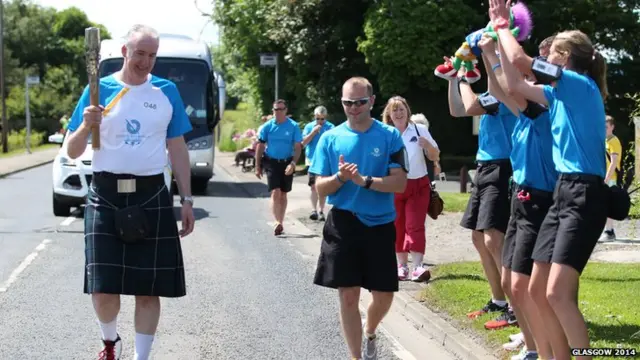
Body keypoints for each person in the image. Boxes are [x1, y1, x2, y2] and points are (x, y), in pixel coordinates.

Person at [65, 24, 195, 360]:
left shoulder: (166, 92)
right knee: (102, 286)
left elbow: (177, 146)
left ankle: (142, 357)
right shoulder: (98, 90)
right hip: (105, 191)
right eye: (140, 53)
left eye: (152, 55)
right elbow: (73, 150)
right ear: (125, 52)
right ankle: (111, 342)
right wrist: (86, 125)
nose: (146, 61)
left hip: (151, 193)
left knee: (148, 289)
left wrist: (187, 200)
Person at [490, 0, 609, 358]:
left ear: (565, 57)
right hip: (563, 192)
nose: (548, 54)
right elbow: (513, 82)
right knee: (536, 290)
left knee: (557, 293)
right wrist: (495, 44)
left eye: (554, 51)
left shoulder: (580, 85)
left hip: (583, 194)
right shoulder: (558, 95)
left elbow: (522, 63)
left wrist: (501, 26)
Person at [311, 77, 408, 360]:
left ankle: (371, 328)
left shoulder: (390, 136)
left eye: (359, 102)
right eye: (347, 103)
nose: (353, 108)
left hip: (379, 224)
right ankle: (355, 356)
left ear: (372, 101)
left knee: (384, 295)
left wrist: (363, 181)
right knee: (348, 295)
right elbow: (320, 186)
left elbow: (400, 183)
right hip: (343, 223)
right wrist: (341, 178)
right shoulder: (330, 138)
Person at [480, 33, 559, 360]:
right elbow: (498, 89)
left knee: (530, 287)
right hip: (520, 198)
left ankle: (547, 350)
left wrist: (495, 46)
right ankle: (532, 346)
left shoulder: (545, 103)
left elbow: (508, 86)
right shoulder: (526, 108)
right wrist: (487, 54)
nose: (523, 78)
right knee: (514, 285)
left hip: (542, 200)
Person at [445, 53, 517, 325]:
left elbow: (472, 105)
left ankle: (514, 306)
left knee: (494, 238)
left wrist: (464, 78)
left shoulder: (503, 92)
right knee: (479, 237)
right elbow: (457, 109)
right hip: (486, 166)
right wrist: (453, 79)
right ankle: (498, 300)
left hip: (502, 166)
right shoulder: (491, 94)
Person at [382, 96, 439, 282]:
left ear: (407, 111)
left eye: (401, 109)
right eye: (394, 110)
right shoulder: (386, 133)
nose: (398, 113)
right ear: (389, 115)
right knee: (397, 226)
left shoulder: (419, 129)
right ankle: (401, 266)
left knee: (414, 225)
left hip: (418, 185)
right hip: (396, 185)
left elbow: (435, 155)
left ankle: (418, 266)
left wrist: (428, 145)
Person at [255, 100, 303, 236]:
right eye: (276, 110)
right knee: (275, 191)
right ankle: (277, 222)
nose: (278, 112)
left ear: (286, 110)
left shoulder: (293, 126)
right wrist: (257, 166)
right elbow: (260, 146)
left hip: (287, 162)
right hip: (271, 162)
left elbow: (298, 147)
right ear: (273, 111)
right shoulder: (268, 126)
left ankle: (281, 221)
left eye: (281, 109)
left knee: (283, 192)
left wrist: (293, 164)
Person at [302, 105, 335, 221]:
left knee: (322, 186)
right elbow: (303, 143)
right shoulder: (309, 126)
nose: (320, 121)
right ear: (314, 117)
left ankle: (321, 210)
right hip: (311, 160)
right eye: (318, 119)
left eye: (322, 119)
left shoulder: (331, 127)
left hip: (325, 161)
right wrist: (313, 133)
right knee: (313, 187)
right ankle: (313, 210)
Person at [600, 115, 622, 241]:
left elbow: (613, 162)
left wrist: (607, 178)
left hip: (610, 177)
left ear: (612, 127)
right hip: (604, 176)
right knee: (603, 204)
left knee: (608, 204)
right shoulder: (605, 140)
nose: (604, 129)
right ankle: (607, 230)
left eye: (606, 127)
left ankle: (609, 231)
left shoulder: (613, 141)